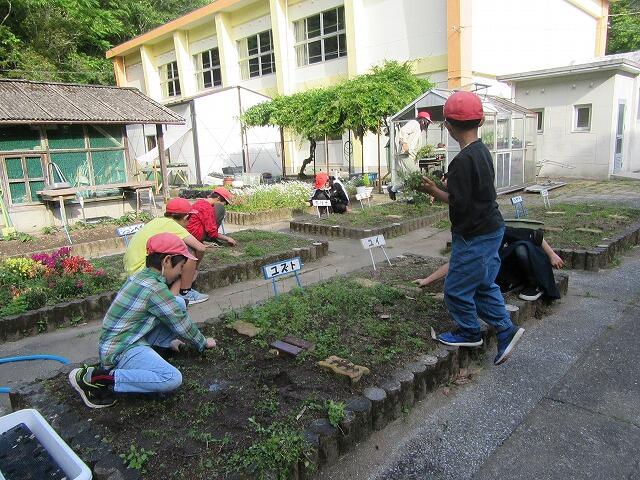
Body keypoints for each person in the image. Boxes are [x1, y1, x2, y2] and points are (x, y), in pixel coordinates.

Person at [420, 90, 524, 366]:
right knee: (482, 285)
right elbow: (471, 194)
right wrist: (445, 186)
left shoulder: (461, 162)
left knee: (455, 288)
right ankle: (505, 330)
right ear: (481, 121)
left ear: (448, 126)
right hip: (492, 229)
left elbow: (459, 203)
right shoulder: (482, 152)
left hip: (473, 236)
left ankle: (469, 331)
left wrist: (436, 190)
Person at [69, 233, 217, 409]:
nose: (181, 272)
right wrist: (202, 343)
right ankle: (98, 378)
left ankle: (161, 346)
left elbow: (172, 312)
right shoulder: (155, 289)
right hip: (121, 351)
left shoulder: (141, 277)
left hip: (124, 339)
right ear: (167, 261)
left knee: (176, 303)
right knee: (171, 378)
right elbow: (181, 323)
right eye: (181, 266)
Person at [413, 227, 564, 301]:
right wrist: (427, 280)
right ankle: (510, 284)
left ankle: (534, 285)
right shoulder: (475, 242)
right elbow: (456, 263)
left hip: (522, 264)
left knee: (522, 248)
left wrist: (552, 255)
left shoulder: (499, 230)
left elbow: (536, 235)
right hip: (501, 271)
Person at [123, 197, 209, 305]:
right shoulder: (171, 224)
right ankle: (185, 292)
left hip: (133, 272)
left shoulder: (158, 221)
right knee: (189, 254)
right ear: (186, 217)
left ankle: (172, 296)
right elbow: (200, 248)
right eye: (190, 218)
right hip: (146, 270)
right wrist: (194, 269)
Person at [388, 111, 433, 200]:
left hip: (411, 156)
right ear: (422, 120)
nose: (427, 124)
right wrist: (404, 143)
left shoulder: (419, 130)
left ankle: (394, 190)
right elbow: (403, 131)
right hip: (405, 155)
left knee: (409, 178)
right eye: (427, 122)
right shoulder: (414, 123)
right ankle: (411, 197)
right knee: (415, 175)